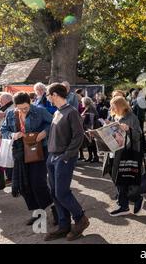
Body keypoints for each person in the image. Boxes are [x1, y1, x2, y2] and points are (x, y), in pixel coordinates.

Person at [0, 92, 56, 226]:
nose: (22, 111)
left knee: (38, 183)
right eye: (19, 108)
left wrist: (44, 133)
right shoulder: (10, 114)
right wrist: (13, 134)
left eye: (25, 108)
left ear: (29, 103)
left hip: (39, 151)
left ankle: (55, 210)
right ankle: (38, 213)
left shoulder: (40, 111)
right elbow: (4, 131)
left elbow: (54, 123)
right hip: (20, 153)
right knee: (25, 185)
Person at [44, 83, 89, 242]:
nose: (47, 97)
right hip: (53, 157)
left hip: (64, 158)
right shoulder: (57, 112)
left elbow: (79, 136)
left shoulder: (72, 112)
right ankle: (64, 225)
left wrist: (66, 155)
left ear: (55, 94)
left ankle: (80, 219)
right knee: (55, 193)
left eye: (48, 94)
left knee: (62, 192)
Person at [103, 96, 146, 216]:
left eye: (114, 105)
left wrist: (128, 129)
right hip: (113, 151)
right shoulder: (112, 116)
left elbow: (138, 136)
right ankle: (129, 201)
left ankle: (126, 204)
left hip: (126, 153)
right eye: (111, 105)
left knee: (122, 180)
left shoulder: (132, 117)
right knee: (116, 178)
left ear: (121, 105)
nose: (112, 108)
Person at [81, 97, 100, 163]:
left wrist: (83, 116)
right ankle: (91, 156)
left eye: (82, 102)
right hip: (89, 128)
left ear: (85, 102)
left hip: (91, 128)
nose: (81, 103)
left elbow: (92, 118)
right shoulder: (89, 107)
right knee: (90, 143)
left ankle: (95, 157)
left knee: (92, 143)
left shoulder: (90, 108)